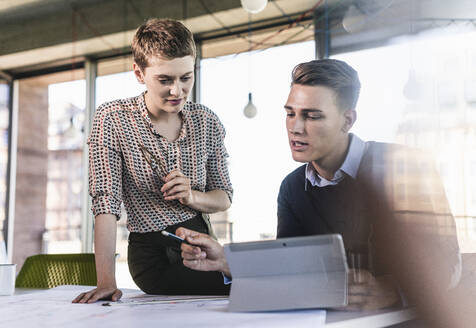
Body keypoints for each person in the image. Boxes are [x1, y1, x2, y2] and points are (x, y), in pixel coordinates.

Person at [177, 59, 461, 312]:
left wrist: (393, 290)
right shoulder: (292, 187)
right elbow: (291, 270)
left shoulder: (403, 166)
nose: (296, 127)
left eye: (312, 116)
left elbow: (450, 265)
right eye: (290, 113)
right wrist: (226, 260)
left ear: (347, 120)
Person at [73, 19, 232, 303]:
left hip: (198, 245)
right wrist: (106, 282)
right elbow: (105, 204)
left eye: (186, 77)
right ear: (139, 73)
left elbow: (224, 197)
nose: (177, 91)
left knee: (231, 296)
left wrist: (191, 196)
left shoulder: (207, 121)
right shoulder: (112, 119)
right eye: (165, 80)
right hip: (150, 256)